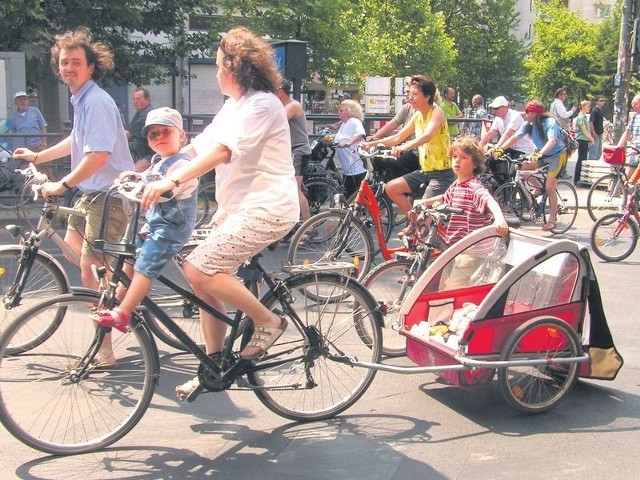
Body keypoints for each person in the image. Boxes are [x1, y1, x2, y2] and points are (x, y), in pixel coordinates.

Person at [140, 27, 299, 400]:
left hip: (268, 207)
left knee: (201, 268)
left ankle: (268, 320)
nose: (214, 74)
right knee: (197, 275)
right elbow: (199, 147)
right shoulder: (234, 105)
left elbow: (224, 151)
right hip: (238, 208)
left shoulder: (262, 104)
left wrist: (171, 181)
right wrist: (153, 173)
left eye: (217, 67)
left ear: (236, 68)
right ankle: (215, 362)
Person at [12, 27, 134, 366]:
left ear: (90, 67)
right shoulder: (81, 98)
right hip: (91, 193)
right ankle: (127, 287)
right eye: (64, 62)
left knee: (91, 271)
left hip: (107, 197)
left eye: (76, 62)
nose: (69, 68)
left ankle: (104, 349)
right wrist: (38, 158)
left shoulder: (96, 102)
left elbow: (97, 156)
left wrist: (61, 185)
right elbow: (76, 141)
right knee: (79, 257)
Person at [93, 107, 198, 331]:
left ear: (181, 135)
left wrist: (149, 187)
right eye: (153, 134)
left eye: (165, 132)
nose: (159, 137)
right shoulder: (159, 161)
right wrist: (133, 176)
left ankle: (123, 312)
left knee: (144, 265)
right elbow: (149, 176)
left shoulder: (183, 165)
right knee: (128, 258)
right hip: (154, 224)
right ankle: (120, 299)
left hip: (172, 228)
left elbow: (168, 188)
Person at [413, 136, 508, 287]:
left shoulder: (474, 187)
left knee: (453, 288)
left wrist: (499, 219)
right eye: (455, 157)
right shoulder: (457, 184)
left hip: (472, 249)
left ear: (475, 164)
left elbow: (489, 200)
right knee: (445, 284)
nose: (457, 161)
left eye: (463, 157)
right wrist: (424, 202)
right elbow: (445, 198)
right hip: (457, 247)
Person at [363, 74, 454, 214]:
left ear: (428, 96)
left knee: (423, 212)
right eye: (409, 93)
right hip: (425, 171)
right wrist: (373, 143)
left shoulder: (437, 112)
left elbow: (427, 136)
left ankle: (419, 224)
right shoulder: (417, 115)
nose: (410, 97)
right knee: (391, 188)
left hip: (441, 175)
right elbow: (399, 136)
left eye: (415, 94)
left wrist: (404, 147)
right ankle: (414, 221)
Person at [498, 100, 568, 232]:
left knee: (550, 187)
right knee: (521, 167)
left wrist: (539, 154)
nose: (524, 114)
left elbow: (552, 140)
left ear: (535, 113)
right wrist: (500, 149)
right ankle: (538, 189)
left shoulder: (550, 123)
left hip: (557, 156)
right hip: (542, 155)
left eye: (527, 112)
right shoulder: (529, 124)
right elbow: (514, 137)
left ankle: (552, 220)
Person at [366, 79, 420, 179]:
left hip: (418, 153)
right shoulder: (408, 107)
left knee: (394, 164)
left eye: (411, 93)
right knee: (380, 160)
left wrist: (402, 147)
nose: (407, 95)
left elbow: (422, 138)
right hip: (408, 148)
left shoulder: (425, 112)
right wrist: (374, 138)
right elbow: (393, 124)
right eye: (408, 92)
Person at [276, 78, 312, 222]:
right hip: (290, 152)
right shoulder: (282, 105)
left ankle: (309, 227)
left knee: (294, 190)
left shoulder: (292, 105)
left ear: (280, 92)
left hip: (299, 151)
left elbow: (277, 121)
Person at [334, 99, 367, 198]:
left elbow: (360, 134)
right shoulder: (344, 123)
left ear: (350, 111)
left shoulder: (354, 121)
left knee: (358, 195)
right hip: (347, 168)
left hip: (356, 167)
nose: (338, 113)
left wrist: (349, 143)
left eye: (341, 111)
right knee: (349, 195)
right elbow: (342, 137)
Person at [126, 87, 154, 172]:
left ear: (148, 100)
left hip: (151, 155)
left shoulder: (146, 114)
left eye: (139, 99)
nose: (135, 102)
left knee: (130, 175)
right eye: (134, 99)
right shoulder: (140, 113)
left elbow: (126, 136)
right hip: (142, 154)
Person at [614, 93, 640, 179]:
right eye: (632, 103)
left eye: (635, 103)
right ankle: (621, 190)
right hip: (636, 150)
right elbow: (627, 133)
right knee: (627, 175)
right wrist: (618, 146)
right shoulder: (635, 117)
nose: (633, 105)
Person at [573, 100, 594, 185]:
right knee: (581, 159)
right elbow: (584, 130)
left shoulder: (584, 117)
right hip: (581, 139)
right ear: (583, 107)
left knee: (583, 159)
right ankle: (577, 179)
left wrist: (589, 138)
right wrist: (591, 138)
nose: (589, 108)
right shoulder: (581, 117)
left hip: (584, 139)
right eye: (588, 106)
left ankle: (579, 179)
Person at [588, 95, 606, 161]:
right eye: (601, 101)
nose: (603, 102)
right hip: (595, 133)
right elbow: (591, 122)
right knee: (593, 153)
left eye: (603, 101)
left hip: (600, 133)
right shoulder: (594, 111)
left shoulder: (601, 110)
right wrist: (593, 133)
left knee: (599, 152)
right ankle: (591, 167)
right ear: (597, 102)